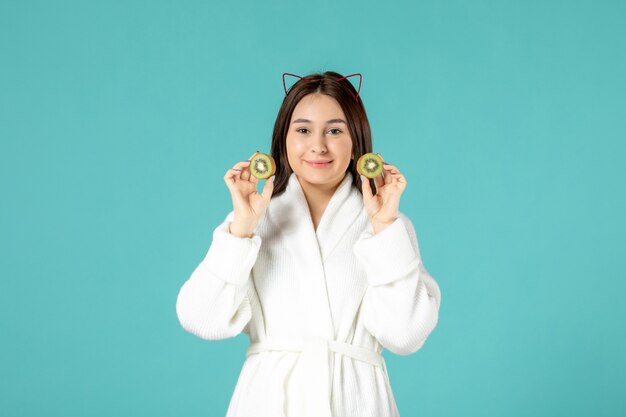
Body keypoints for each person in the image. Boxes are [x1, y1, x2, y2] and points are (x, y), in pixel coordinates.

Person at [175, 71, 442, 417]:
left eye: (334, 130)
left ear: (356, 140)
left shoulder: (388, 227)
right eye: (303, 130)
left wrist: (385, 227)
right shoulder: (254, 220)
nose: (318, 145)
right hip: (267, 402)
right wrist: (241, 228)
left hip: (356, 402)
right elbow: (201, 318)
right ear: (283, 138)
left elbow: (406, 335)